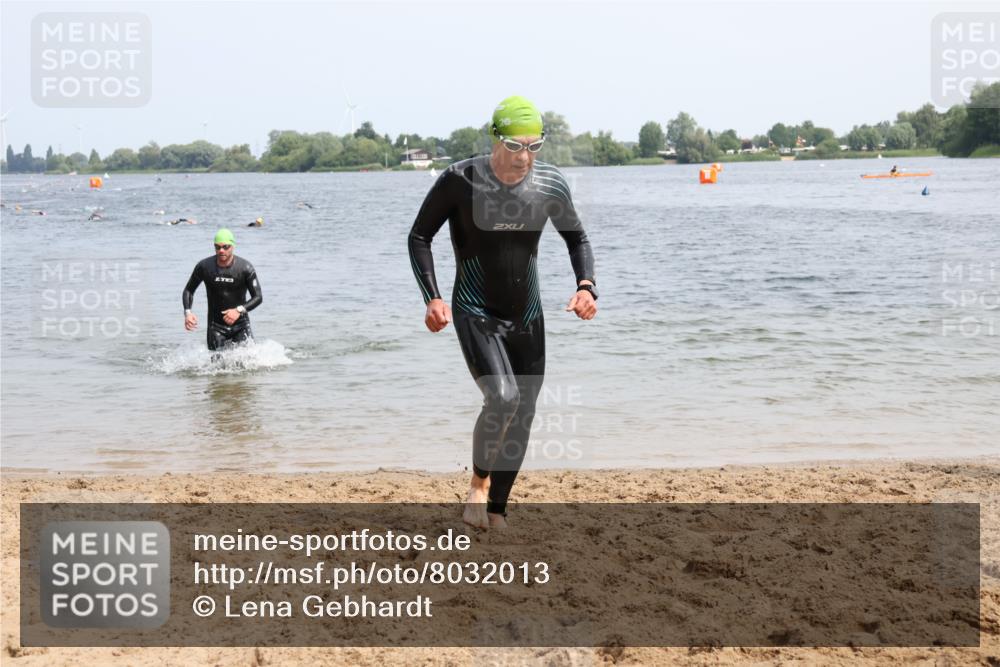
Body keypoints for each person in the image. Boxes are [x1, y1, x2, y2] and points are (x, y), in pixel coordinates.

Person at [408, 95, 597, 530]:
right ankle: (478, 484)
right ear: (495, 138)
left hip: (527, 314)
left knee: (524, 409)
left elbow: (577, 239)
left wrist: (586, 286)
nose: (525, 157)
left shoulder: (550, 184)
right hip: (475, 310)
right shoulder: (460, 180)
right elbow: (419, 237)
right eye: (515, 146)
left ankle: (496, 510)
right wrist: (432, 297)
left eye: (534, 145)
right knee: (503, 397)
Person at [182, 228, 262, 351]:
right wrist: (188, 313)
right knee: (217, 367)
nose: (221, 250)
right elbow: (189, 290)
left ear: (233, 246)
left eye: (225, 247)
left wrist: (238, 310)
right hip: (216, 327)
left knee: (245, 366)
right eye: (217, 247)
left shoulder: (245, 268)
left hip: (241, 325)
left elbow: (258, 297)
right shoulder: (204, 267)